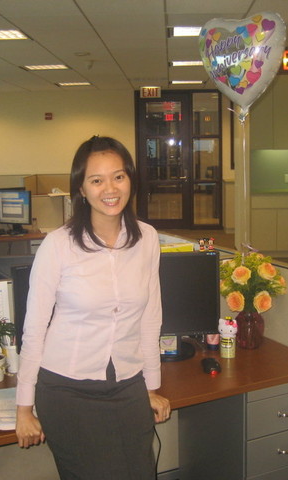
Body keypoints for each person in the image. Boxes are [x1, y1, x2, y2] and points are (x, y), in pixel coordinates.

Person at [15, 136, 171, 479]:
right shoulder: (58, 245)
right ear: (81, 190)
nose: (110, 189)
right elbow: (34, 329)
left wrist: (151, 386)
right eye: (96, 180)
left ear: (131, 180)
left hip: (128, 384)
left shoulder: (147, 238)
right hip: (67, 390)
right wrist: (24, 408)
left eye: (119, 177)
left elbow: (150, 318)